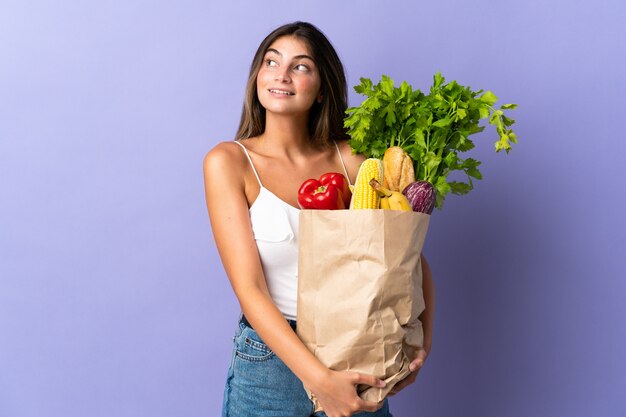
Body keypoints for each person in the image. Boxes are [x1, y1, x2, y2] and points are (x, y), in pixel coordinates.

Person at [203, 21, 435, 417]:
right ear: (258, 75)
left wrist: (421, 345)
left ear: (322, 86)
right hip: (270, 365)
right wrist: (318, 379)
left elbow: (406, 258)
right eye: (271, 61)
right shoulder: (229, 163)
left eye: (301, 66)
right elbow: (251, 290)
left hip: (356, 348)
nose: (281, 74)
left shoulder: (354, 161)